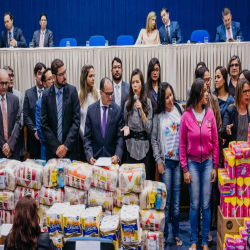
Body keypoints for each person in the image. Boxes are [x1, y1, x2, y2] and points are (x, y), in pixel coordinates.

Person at [179, 78, 219, 250]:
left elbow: (216, 142)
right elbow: (181, 144)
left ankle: (204, 242)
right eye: (204, 91)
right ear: (197, 93)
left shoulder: (210, 114)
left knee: (206, 205)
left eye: (207, 91)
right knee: (194, 205)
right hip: (193, 164)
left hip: (208, 162)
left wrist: (215, 166)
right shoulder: (186, 116)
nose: (207, 94)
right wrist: (185, 169)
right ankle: (194, 241)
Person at [151, 82, 183, 246]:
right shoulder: (158, 117)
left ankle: (176, 234)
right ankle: (164, 235)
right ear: (162, 100)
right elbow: (154, 141)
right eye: (166, 97)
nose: (170, 99)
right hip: (166, 163)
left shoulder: (179, 110)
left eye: (171, 95)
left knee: (176, 203)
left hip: (178, 163)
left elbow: (184, 136)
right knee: (166, 202)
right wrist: (159, 161)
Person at [41, 59, 80, 161]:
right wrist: (58, 148)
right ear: (54, 77)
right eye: (61, 74)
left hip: (70, 151)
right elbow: (44, 125)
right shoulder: (46, 95)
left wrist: (65, 146)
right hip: (53, 152)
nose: (65, 77)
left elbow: (76, 122)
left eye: (65, 72)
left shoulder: (72, 92)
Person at [121, 69, 154, 180]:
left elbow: (149, 128)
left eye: (137, 82)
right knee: (131, 182)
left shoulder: (148, 102)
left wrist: (142, 112)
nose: (135, 85)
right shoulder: (127, 104)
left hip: (145, 148)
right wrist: (125, 128)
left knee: (145, 182)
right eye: (133, 82)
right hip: (130, 148)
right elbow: (125, 123)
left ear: (142, 84)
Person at [84, 77, 124, 165]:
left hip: (112, 160)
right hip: (95, 160)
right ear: (101, 92)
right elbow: (87, 137)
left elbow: (120, 137)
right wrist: (89, 156)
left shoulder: (117, 110)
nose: (110, 97)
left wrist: (117, 155)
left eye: (112, 94)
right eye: (107, 94)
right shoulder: (91, 110)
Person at [23, 62, 46, 159]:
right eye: (39, 73)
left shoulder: (50, 93)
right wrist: (35, 131)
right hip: (33, 140)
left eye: (43, 74)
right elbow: (26, 115)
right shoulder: (28, 93)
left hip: (46, 140)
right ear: (35, 75)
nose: (41, 76)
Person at [3, 65, 26, 160]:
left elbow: (19, 121)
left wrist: (10, 144)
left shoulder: (18, 96)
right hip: (3, 146)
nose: (11, 78)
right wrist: (6, 146)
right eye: (8, 76)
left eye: (12, 76)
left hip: (17, 143)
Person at [78, 64, 100, 161]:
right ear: (84, 77)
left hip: (96, 140)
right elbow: (78, 120)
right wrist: (85, 138)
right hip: (82, 140)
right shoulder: (78, 95)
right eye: (90, 76)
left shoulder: (98, 94)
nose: (93, 79)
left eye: (94, 76)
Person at [221, 78, 250, 147]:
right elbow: (222, 133)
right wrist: (226, 130)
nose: (248, 94)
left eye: (249, 91)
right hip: (234, 153)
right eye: (245, 91)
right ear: (239, 93)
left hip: (247, 153)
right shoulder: (230, 110)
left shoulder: (249, 111)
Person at [0, 69, 21, 160]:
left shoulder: (14, 100)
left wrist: (10, 145)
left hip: (13, 149)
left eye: (6, 83)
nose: (4, 86)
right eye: (1, 83)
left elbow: (18, 123)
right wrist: (4, 147)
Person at [35, 68, 53, 160]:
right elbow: (39, 130)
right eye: (49, 79)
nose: (52, 81)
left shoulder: (61, 101)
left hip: (61, 150)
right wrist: (54, 142)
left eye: (53, 78)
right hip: (46, 148)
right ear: (44, 84)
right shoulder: (39, 104)